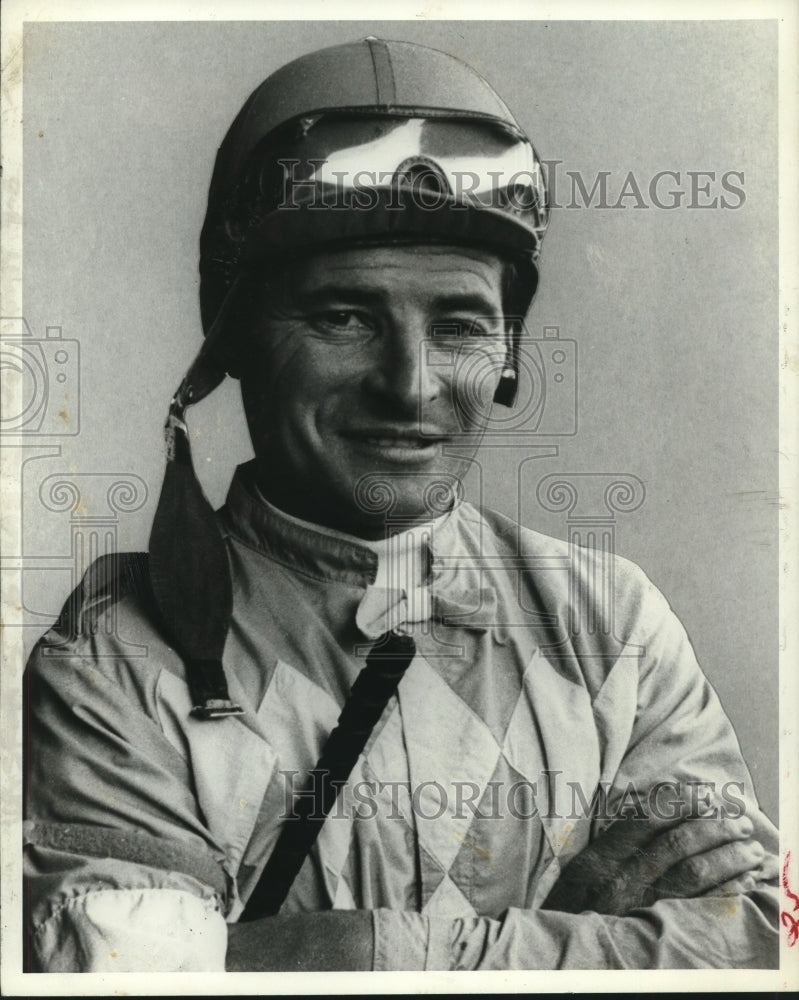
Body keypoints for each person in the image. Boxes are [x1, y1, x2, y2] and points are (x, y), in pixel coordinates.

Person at [23, 37, 779, 973]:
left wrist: (334, 949)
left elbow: (760, 944)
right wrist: (574, 940)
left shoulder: (609, 624)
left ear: (506, 355)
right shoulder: (118, 651)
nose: (410, 385)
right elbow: (134, 988)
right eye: (344, 317)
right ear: (234, 340)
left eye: (458, 325)